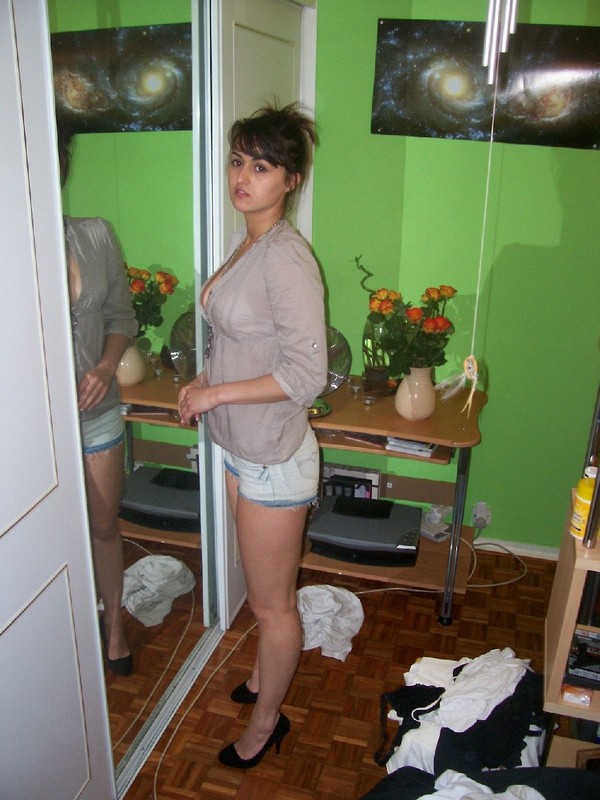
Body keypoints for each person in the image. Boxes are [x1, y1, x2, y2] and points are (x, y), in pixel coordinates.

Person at [178, 103, 327, 768]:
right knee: (267, 592)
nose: (243, 176)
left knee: (272, 607)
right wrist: (205, 379)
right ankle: (265, 679)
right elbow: (242, 340)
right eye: (239, 161)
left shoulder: (286, 258)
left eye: (261, 167)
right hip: (242, 447)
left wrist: (215, 393)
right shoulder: (249, 242)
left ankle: (266, 724)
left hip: (273, 456)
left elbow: (306, 374)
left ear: (291, 179)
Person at [58, 126, 138, 676]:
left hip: (96, 411)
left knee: (104, 524)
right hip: (36, 428)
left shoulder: (94, 235)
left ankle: (114, 626)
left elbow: (120, 316)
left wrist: (106, 366)